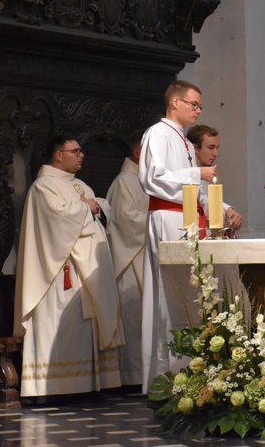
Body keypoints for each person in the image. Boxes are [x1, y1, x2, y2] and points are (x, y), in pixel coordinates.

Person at [14, 135, 124, 398]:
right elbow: (58, 219)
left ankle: (88, 383)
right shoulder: (43, 187)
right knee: (64, 324)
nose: (81, 155)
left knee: (86, 325)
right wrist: (85, 208)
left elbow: (100, 207)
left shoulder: (79, 185)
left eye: (81, 150)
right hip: (61, 271)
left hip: (88, 270)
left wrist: (92, 206)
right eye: (75, 151)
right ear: (58, 155)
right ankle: (54, 386)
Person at [138, 80, 220, 392]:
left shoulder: (185, 142)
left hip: (186, 219)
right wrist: (195, 174)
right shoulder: (157, 134)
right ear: (175, 102)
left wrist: (219, 211)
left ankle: (186, 370)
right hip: (166, 217)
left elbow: (195, 191)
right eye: (193, 104)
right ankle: (164, 376)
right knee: (166, 296)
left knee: (187, 296)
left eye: (199, 105)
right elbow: (152, 179)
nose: (198, 110)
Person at [106, 131, 148, 386]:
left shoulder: (143, 181)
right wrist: (159, 223)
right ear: (137, 153)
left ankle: (145, 375)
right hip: (131, 260)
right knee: (133, 321)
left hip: (144, 255)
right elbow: (125, 220)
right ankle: (132, 378)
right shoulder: (124, 181)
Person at [186, 124, 243, 231]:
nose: (216, 154)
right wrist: (227, 209)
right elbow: (200, 200)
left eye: (217, 148)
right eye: (211, 148)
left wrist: (228, 210)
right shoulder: (187, 173)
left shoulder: (208, 174)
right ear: (195, 148)